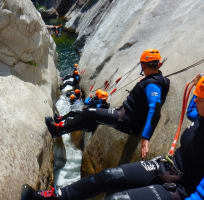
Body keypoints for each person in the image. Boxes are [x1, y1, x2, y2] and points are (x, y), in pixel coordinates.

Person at [22, 76, 204, 200]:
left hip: (183, 188)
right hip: (166, 166)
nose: (196, 100)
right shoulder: (200, 116)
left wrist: (146, 137)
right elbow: (191, 111)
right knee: (108, 176)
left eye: (201, 98)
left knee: (117, 198)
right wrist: (197, 88)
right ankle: (55, 196)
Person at [46, 49, 170, 158]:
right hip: (126, 115)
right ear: (158, 65)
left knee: (90, 113)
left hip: (126, 119)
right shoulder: (155, 80)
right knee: (89, 120)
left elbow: (155, 109)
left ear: (143, 65)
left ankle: (59, 129)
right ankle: (61, 127)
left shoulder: (152, 84)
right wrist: (147, 80)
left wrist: (145, 137)